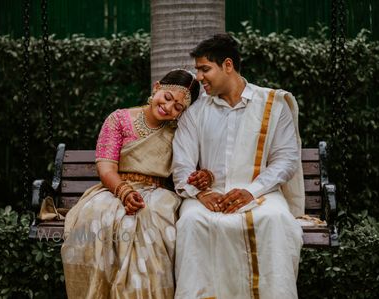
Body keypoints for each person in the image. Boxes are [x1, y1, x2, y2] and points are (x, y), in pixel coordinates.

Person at [172, 34, 305, 299]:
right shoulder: (195, 113)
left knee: (275, 219)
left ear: (228, 65)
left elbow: (286, 159)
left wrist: (251, 191)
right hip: (209, 197)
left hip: (261, 194)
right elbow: (182, 162)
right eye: (198, 70)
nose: (198, 77)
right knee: (191, 221)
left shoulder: (274, 105)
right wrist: (203, 193)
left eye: (205, 69)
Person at [61, 69, 206, 298]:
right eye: (167, 98)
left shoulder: (179, 131)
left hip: (158, 192)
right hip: (114, 189)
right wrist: (124, 192)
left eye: (178, 107)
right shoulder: (119, 119)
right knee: (99, 217)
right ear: (157, 87)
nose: (169, 108)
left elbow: (186, 168)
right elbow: (106, 167)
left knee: (152, 218)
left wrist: (201, 175)